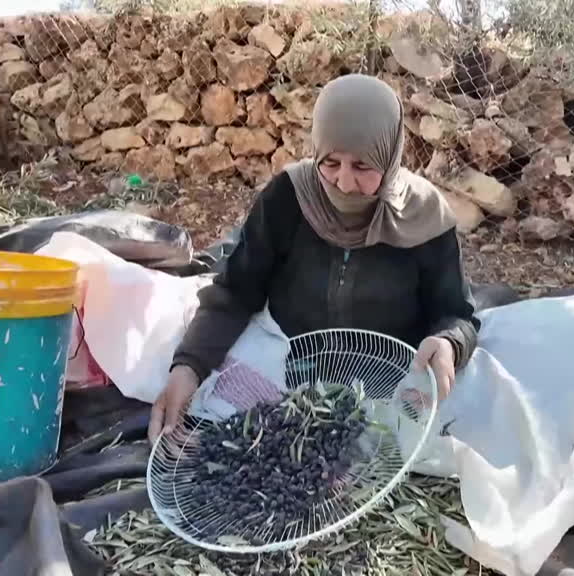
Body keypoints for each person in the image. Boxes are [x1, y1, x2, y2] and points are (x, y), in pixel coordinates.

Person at [148, 74, 480, 442]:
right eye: (331, 162)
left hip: (390, 374)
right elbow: (235, 291)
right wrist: (188, 368)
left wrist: (449, 343)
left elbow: (456, 313)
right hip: (288, 358)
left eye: (363, 166)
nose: (344, 182)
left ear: (390, 157)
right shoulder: (289, 198)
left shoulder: (425, 216)